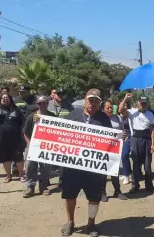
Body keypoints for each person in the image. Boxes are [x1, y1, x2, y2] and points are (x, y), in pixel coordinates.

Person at [60, 88, 111, 237]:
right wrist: (40, 121)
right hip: (72, 166)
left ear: (99, 103)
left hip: (93, 168)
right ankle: (70, 222)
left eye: (96, 101)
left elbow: (109, 141)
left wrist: (118, 139)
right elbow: (57, 132)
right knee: (69, 195)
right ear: (85, 99)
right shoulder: (73, 115)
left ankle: (91, 224)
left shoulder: (104, 119)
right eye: (90, 100)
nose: (92, 103)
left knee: (94, 197)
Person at [119, 94, 154, 194]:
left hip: (147, 139)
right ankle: (135, 185)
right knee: (136, 164)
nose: (143, 105)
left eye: (145, 103)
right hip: (135, 138)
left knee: (148, 165)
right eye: (141, 103)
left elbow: (152, 130)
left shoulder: (150, 114)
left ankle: (149, 186)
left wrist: (153, 144)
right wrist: (126, 98)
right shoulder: (132, 112)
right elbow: (121, 110)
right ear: (138, 103)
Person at [0, 87, 25, 183]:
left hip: (15, 138)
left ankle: (21, 175)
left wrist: (23, 136)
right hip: (0, 138)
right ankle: (9, 176)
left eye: (6, 97)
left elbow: (22, 123)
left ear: (10, 99)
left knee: (19, 157)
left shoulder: (16, 109)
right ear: (0, 99)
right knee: (5, 158)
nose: (4, 98)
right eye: (3, 97)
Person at [23, 96, 54, 198]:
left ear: (47, 103)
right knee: (30, 166)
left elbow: (58, 131)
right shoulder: (32, 116)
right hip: (33, 146)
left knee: (45, 167)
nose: (42, 105)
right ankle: (30, 187)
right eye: (39, 103)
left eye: (44, 103)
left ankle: (43, 186)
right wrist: (29, 144)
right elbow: (25, 132)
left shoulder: (52, 116)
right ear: (37, 104)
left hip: (46, 146)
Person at [100, 100, 128, 201]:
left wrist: (123, 135)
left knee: (114, 171)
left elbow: (123, 130)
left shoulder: (117, 118)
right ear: (102, 109)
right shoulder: (99, 119)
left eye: (111, 107)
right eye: (107, 108)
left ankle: (117, 191)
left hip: (115, 148)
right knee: (103, 172)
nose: (110, 109)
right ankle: (102, 192)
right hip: (103, 149)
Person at [12, 84, 38, 177]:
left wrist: (25, 108)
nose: (21, 93)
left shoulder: (34, 99)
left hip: (31, 127)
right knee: (18, 148)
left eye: (24, 92)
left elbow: (36, 108)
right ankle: (15, 168)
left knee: (29, 147)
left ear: (29, 91)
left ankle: (30, 168)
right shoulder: (16, 100)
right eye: (20, 92)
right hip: (18, 127)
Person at [119, 98, 133, 185]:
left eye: (125, 104)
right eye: (122, 104)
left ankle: (131, 175)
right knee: (123, 156)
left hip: (131, 136)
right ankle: (126, 173)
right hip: (123, 138)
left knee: (131, 155)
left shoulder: (130, 114)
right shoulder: (118, 116)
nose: (124, 106)